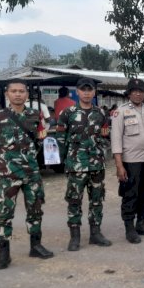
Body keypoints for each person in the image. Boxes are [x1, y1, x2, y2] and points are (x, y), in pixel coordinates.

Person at [0, 79, 54, 269]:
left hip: (31, 172)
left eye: (21, 91)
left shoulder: (35, 115)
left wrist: (29, 159)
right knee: (4, 213)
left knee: (35, 209)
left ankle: (36, 246)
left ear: (26, 94)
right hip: (8, 174)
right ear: (7, 94)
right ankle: (4, 254)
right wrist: (1, 167)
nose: (18, 94)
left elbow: (40, 140)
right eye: (14, 91)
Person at [57, 77, 112, 250]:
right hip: (76, 165)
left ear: (94, 92)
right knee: (74, 201)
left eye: (90, 90)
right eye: (83, 90)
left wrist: (100, 151)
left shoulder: (101, 113)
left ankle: (95, 234)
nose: (87, 93)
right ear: (77, 92)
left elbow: (105, 136)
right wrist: (66, 160)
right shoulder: (67, 113)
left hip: (96, 165)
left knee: (97, 200)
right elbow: (60, 139)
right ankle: (75, 237)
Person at [110, 78, 144, 244]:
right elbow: (116, 140)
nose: (138, 94)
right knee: (130, 194)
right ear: (129, 94)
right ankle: (129, 228)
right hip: (131, 161)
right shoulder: (120, 112)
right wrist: (119, 165)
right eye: (134, 91)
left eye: (141, 91)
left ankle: (141, 223)